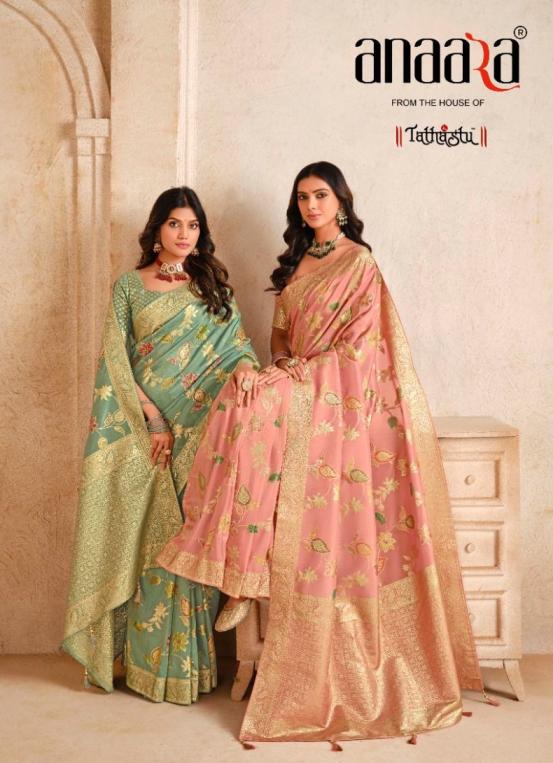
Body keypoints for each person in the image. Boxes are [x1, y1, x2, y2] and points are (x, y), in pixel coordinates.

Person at [157, 162, 485, 742]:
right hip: (303, 383)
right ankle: (241, 569)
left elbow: (361, 350)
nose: (311, 206)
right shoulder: (298, 263)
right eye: (303, 198)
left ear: (341, 202)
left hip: (341, 397)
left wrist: (301, 375)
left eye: (321, 196)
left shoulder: (360, 264)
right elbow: (281, 335)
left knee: (253, 398)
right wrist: (284, 364)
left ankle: (244, 575)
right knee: (241, 394)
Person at [63, 186, 259, 704]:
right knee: (153, 541)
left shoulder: (213, 287)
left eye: (193, 226)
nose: (184, 234)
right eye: (175, 223)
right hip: (149, 435)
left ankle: (190, 672)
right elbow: (115, 360)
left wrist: (245, 371)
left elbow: (238, 349)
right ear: (157, 229)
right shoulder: (129, 287)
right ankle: (148, 670)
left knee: (192, 539)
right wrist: (152, 419)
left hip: (205, 433)